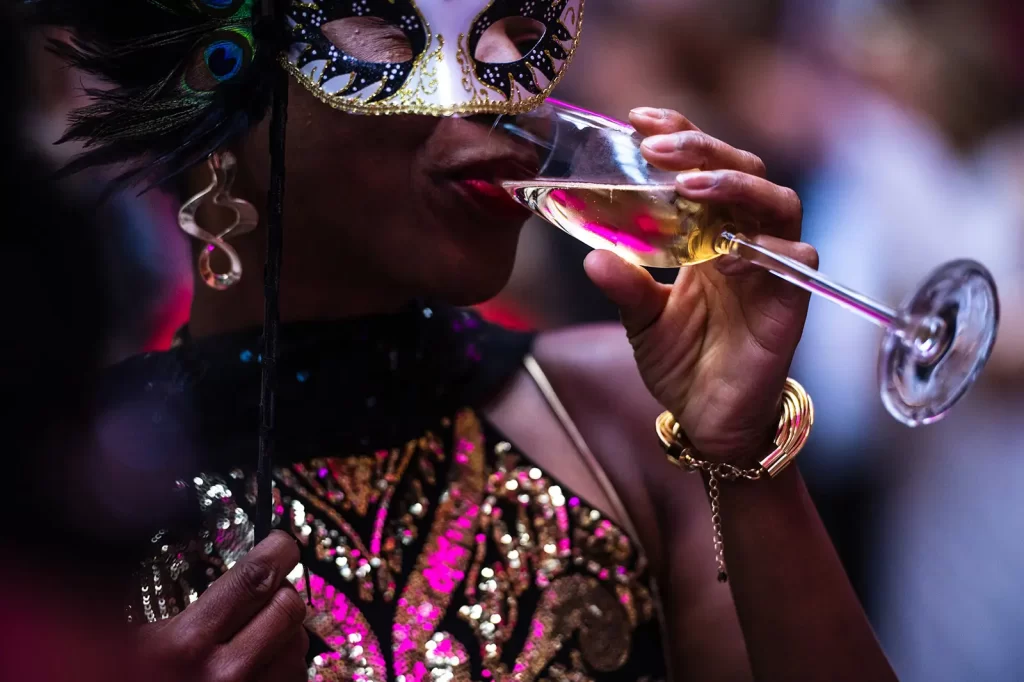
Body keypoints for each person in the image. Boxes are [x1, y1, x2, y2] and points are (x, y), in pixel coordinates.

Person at [39, 1, 895, 680]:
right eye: (388, 20)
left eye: (518, 28)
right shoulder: (62, 497)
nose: (494, 85)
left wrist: (745, 462)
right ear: (218, 74)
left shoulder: (628, 424)